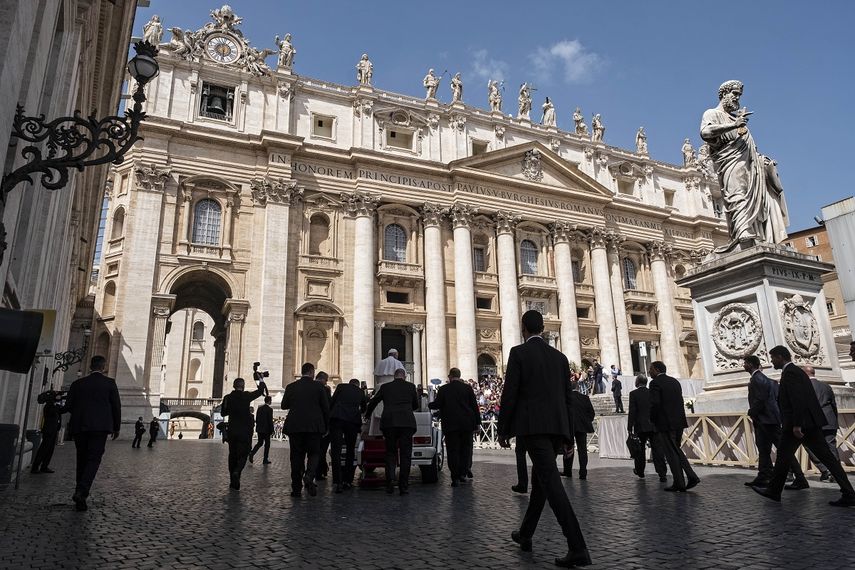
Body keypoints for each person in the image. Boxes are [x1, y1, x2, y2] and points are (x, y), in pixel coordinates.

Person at [498, 310, 591, 568]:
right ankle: (525, 534)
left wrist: (503, 429)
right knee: (540, 485)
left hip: (533, 429)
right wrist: (568, 436)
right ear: (542, 328)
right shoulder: (560, 358)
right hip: (555, 430)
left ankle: (577, 546)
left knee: (551, 485)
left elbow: (510, 393)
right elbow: (567, 399)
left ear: (523, 329)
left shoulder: (518, 353)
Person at [753, 346, 855, 507]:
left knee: (784, 456)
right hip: (808, 424)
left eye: (772, 358)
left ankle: (774, 490)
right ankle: (848, 493)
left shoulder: (791, 373)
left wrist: (797, 424)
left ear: (780, 357)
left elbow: (798, 400)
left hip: (799, 425)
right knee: (824, 458)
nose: (771, 361)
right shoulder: (795, 372)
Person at [700, 80, 788, 253]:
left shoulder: (737, 119)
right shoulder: (712, 113)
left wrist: (763, 161)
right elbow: (705, 132)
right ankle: (743, 232)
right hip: (730, 163)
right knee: (736, 194)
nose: (737, 98)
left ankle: (755, 233)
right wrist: (734, 124)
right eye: (734, 94)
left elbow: (750, 149)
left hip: (750, 167)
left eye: (739, 95)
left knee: (753, 199)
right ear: (724, 94)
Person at [65, 356, 121, 512]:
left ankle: (80, 497)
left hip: (80, 427)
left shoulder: (78, 384)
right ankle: (82, 491)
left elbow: (69, 406)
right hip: (100, 428)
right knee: (93, 460)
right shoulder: (109, 383)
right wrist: (116, 427)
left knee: (81, 460)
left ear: (90, 366)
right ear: (103, 367)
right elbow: (116, 407)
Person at [743, 355, 807, 488]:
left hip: (766, 420)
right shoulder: (768, 380)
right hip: (768, 419)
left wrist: (752, 411)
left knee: (783, 450)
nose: (743, 365)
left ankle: (800, 478)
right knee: (763, 449)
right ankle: (764, 476)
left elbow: (760, 399)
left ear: (750, 364)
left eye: (745, 363)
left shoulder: (757, 379)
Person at [365, 367, 419, 495]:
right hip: (406, 422)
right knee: (406, 454)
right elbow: (415, 405)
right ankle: (403, 486)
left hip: (390, 422)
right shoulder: (411, 387)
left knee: (390, 453)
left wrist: (367, 414)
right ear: (404, 376)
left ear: (394, 376)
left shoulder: (385, 387)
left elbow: (374, 401)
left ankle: (389, 483)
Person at [649, 361, 700, 492]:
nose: (649, 372)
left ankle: (689, 477)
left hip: (665, 423)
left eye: (651, 369)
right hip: (678, 422)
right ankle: (681, 481)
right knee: (675, 450)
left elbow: (655, 404)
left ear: (656, 369)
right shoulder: (674, 382)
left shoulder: (655, 383)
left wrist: (652, 419)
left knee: (672, 452)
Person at [282, 362, 329, 497]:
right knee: (314, 454)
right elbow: (325, 409)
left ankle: (296, 489)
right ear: (312, 372)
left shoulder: (291, 386)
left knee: (296, 457)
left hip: (295, 426)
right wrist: (326, 427)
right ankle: (309, 475)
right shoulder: (319, 387)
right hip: (314, 427)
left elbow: (284, 405)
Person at [429, 367, 480, 487]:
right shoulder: (467, 388)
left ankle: (455, 478)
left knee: (453, 451)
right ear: (459, 375)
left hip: (451, 425)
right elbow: (474, 407)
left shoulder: (444, 389)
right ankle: (463, 474)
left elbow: (437, 404)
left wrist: (428, 403)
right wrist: (478, 424)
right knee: (466, 450)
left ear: (450, 376)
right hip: (467, 424)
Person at [221, 377, 266, 490]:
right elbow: (261, 391)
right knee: (243, 454)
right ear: (243, 386)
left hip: (231, 430)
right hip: (244, 431)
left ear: (233, 386)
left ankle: (233, 481)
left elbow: (223, 413)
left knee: (232, 455)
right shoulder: (246, 396)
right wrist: (260, 379)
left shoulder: (228, 397)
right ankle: (237, 472)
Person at [329, 378, 367, 493]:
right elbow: (364, 409)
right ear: (357, 385)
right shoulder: (360, 392)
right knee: (350, 450)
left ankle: (337, 481)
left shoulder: (340, 387)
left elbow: (332, 401)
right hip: (352, 421)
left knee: (336, 450)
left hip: (337, 419)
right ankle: (347, 480)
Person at [804, 366, 841, 482]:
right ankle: (836, 473)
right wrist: (834, 420)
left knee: (811, 446)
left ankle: (825, 470)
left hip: (813, 422)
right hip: (829, 421)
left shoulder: (803, 387)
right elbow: (833, 405)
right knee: (831, 447)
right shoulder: (826, 386)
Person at [627, 375, 666, 480]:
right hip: (654, 425)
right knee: (657, 450)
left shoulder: (634, 394)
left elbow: (632, 411)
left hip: (640, 426)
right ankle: (662, 473)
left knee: (640, 450)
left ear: (637, 382)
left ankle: (640, 471)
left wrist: (629, 427)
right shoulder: (651, 392)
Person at [563, 381, 595, 480]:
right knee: (582, 450)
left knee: (568, 449)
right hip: (582, 427)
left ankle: (568, 471)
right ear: (578, 387)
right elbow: (592, 413)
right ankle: (583, 472)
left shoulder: (566, 398)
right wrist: (586, 421)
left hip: (569, 427)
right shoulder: (585, 398)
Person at [31, 389, 66, 474]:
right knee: (44, 448)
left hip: (53, 430)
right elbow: (57, 410)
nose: (58, 397)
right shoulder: (50, 406)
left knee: (50, 449)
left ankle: (44, 466)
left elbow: (61, 410)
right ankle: (35, 467)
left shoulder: (54, 405)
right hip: (49, 430)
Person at [314, 372, 334, 480]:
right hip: (322, 425)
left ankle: (310, 473)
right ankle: (318, 472)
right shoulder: (324, 390)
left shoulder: (305, 388)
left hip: (309, 425)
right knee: (321, 451)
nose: (326, 382)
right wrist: (327, 426)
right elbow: (327, 409)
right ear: (323, 379)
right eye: (326, 380)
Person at [249, 396, 274, 465]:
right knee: (267, 444)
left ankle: (252, 453)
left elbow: (257, 419)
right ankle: (265, 459)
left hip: (260, 429)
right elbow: (270, 421)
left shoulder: (259, 408)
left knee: (260, 443)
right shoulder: (270, 409)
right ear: (269, 401)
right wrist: (272, 430)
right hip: (267, 430)